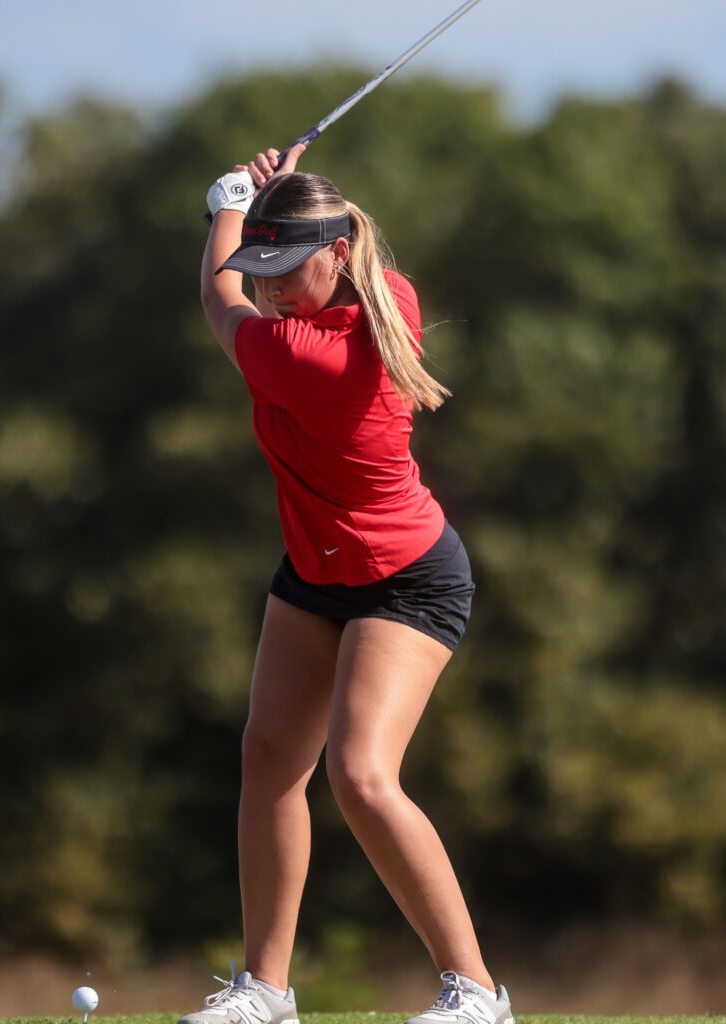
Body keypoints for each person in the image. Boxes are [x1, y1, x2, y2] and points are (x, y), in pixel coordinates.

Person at [179, 144, 514, 1024]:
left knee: (361, 775)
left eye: (290, 267)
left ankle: (476, 993)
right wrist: (280, 196)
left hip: (406, 578)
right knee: (267, 763)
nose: (277, 285)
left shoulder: (301, 356)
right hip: (316, 569)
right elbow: (277, 263)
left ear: (334, 252)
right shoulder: (387, 293)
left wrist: (225, 201)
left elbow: (220, 301)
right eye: (267, 265)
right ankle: (264, 992)